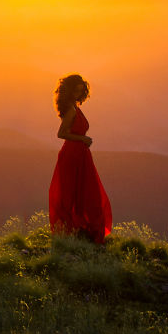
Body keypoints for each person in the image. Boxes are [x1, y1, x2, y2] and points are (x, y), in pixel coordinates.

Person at [48, 73, 112, 243]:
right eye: (75, 91)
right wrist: (83, 139)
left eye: (80, 91)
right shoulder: (70, 109)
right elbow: (61, 133)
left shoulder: (74, 107)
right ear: (69, 91)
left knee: (85, 192)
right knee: (72, 193)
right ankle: (69, 232)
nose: (78, 94)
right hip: (72, 155)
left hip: (80, 155)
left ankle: (77, 230)